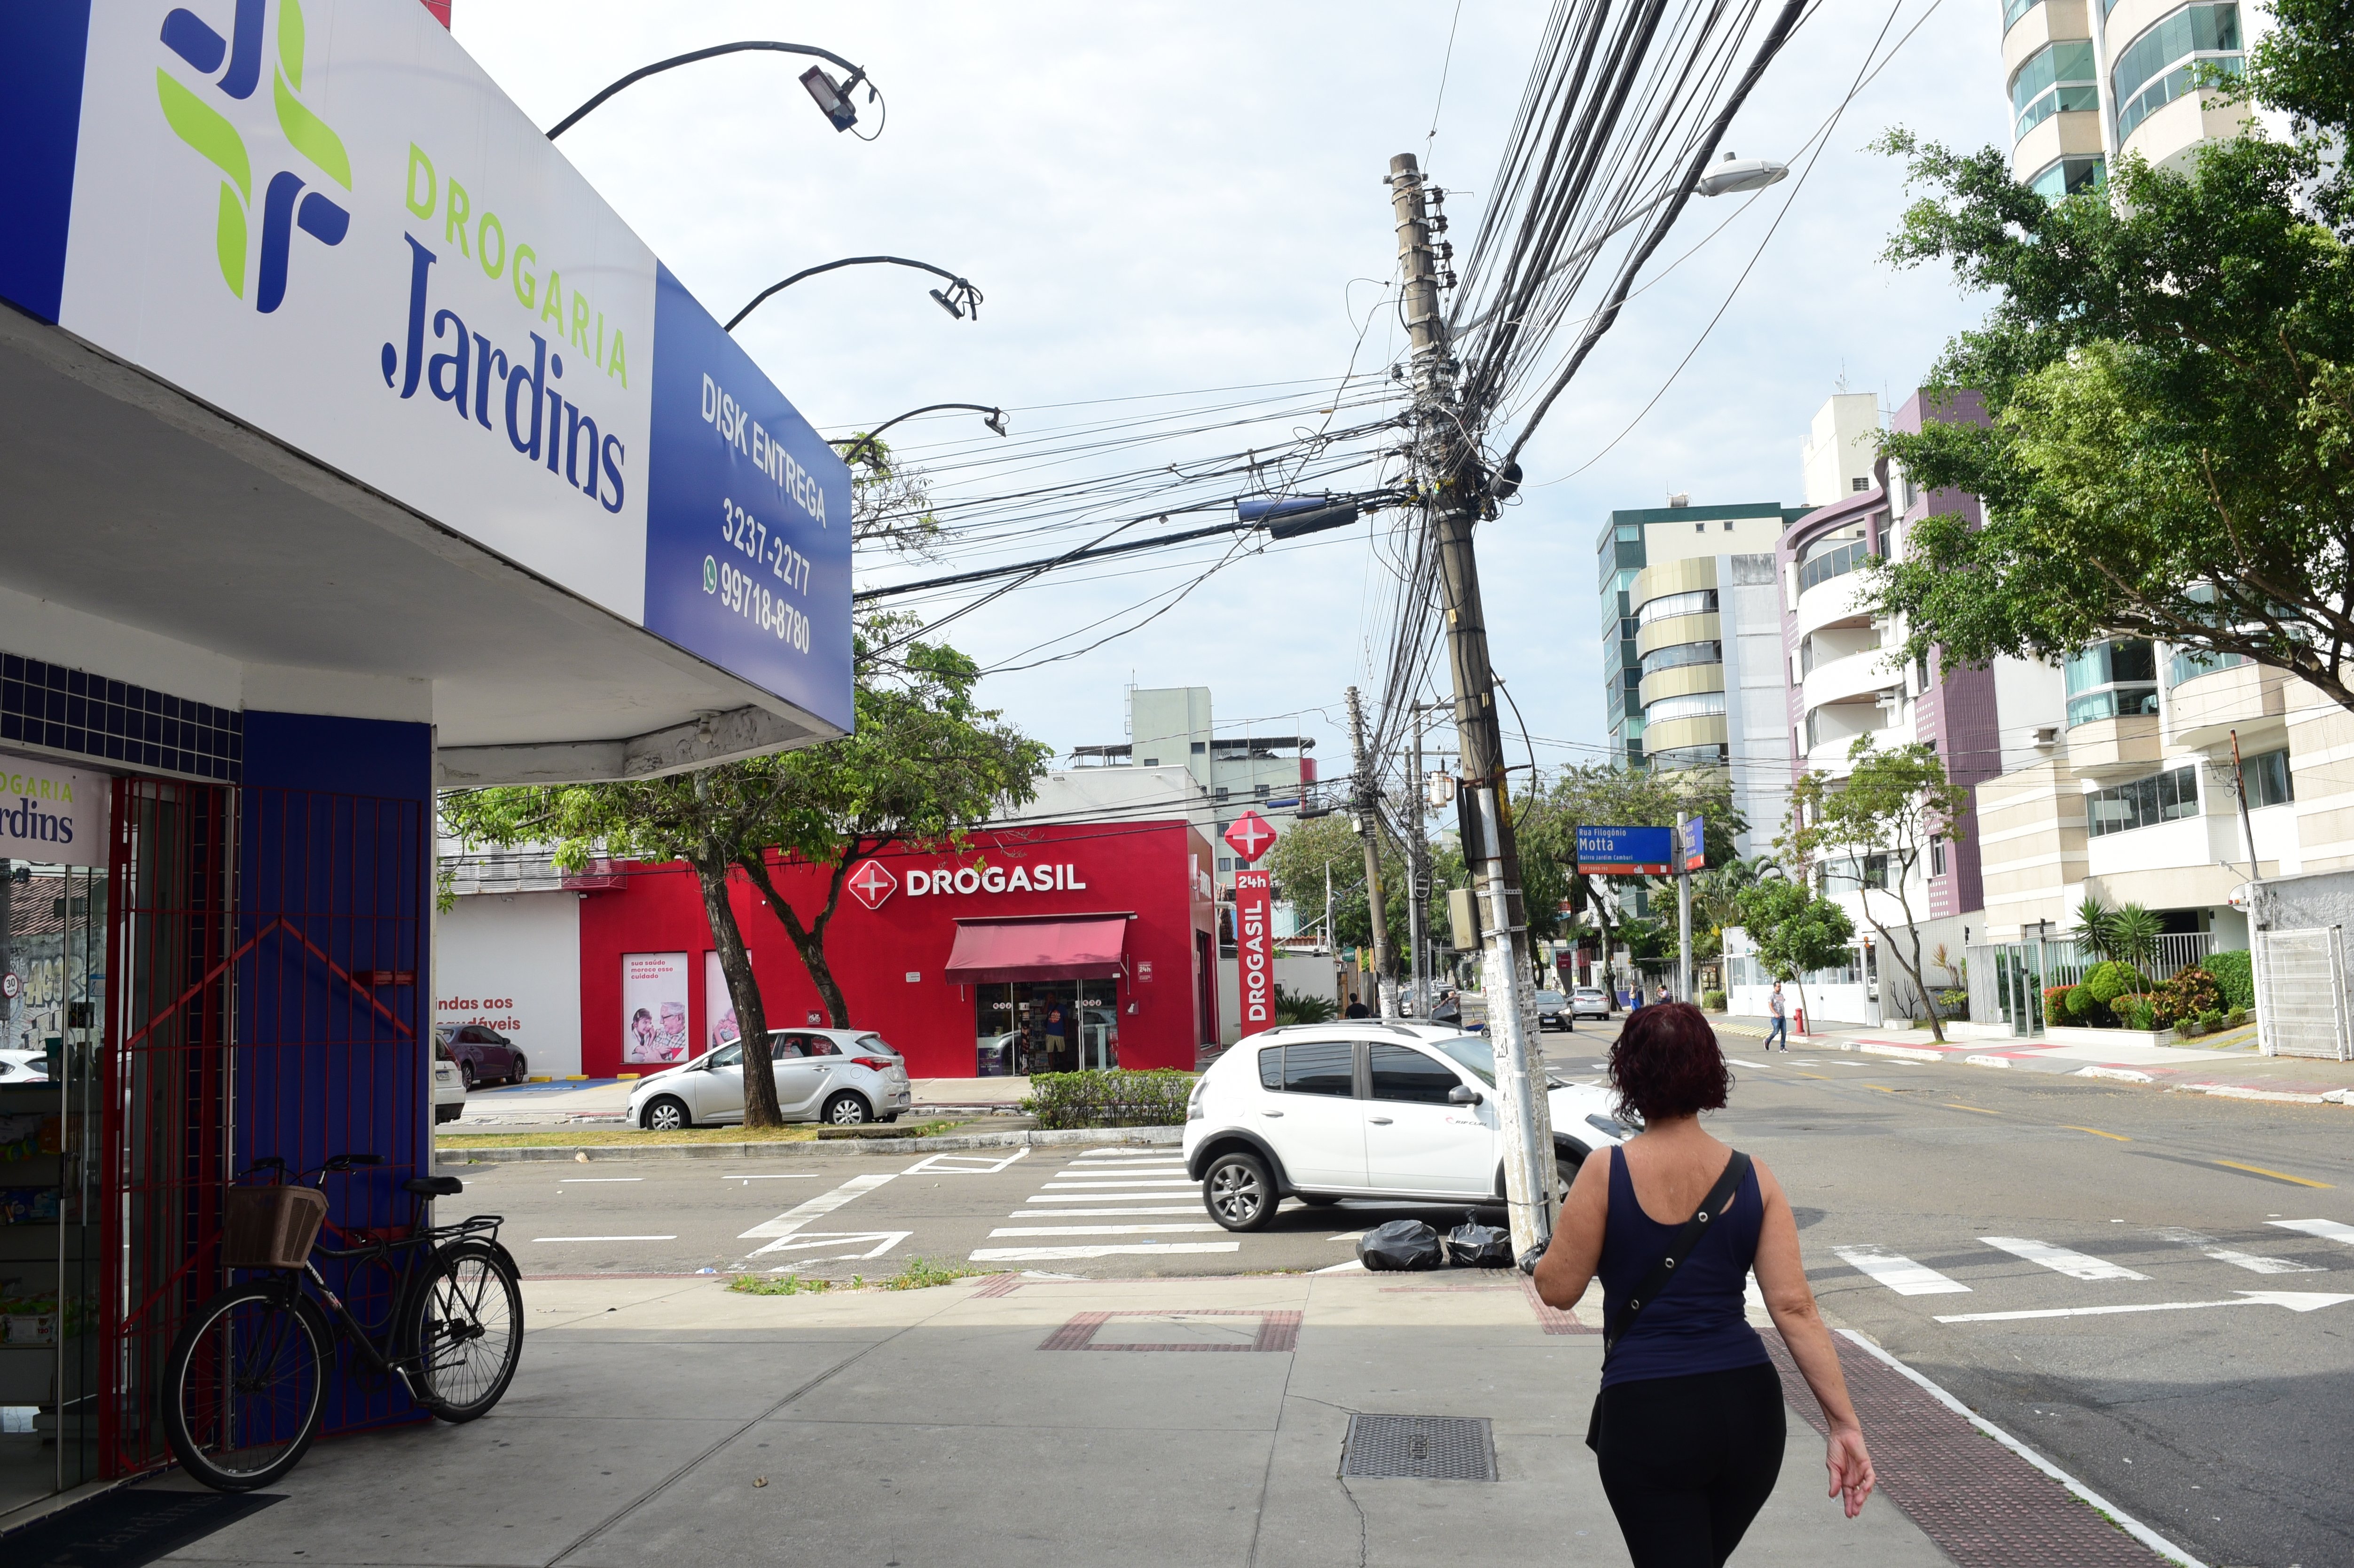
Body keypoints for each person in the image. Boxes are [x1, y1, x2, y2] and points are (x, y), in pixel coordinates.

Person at [1535, 1003, 1874, 1566]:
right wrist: (1844, 1425)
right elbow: (1794, 1307)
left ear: (1629, 1075)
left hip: (1648, 1415)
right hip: (1748, 1414)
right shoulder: (1753, 1176)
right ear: (1709, 1073)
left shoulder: (1604, 1171)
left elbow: (1557, 1289)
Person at [1764, 982, 1789, 1052]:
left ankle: (1782, 1047)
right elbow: (1770, 1005)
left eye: (1780, 986)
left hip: (1782, 1016)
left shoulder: (1781, 995)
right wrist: (1775, 1013)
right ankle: (1767, 1041)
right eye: (1778, 987)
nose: (1780, 988)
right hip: (1775, 1017)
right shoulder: (1772, 995)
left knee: (1784, 1032)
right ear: (1775, 987)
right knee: (1776, 1031)